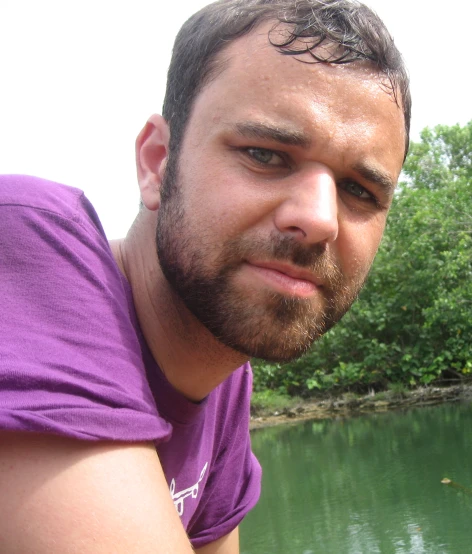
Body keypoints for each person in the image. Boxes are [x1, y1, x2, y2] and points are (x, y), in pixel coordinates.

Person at [0, 0, 410, 551]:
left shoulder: (222, 380)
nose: (318, 219)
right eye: (265, 154)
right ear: (156, 161)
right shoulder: (25, 242)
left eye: (360, 191)